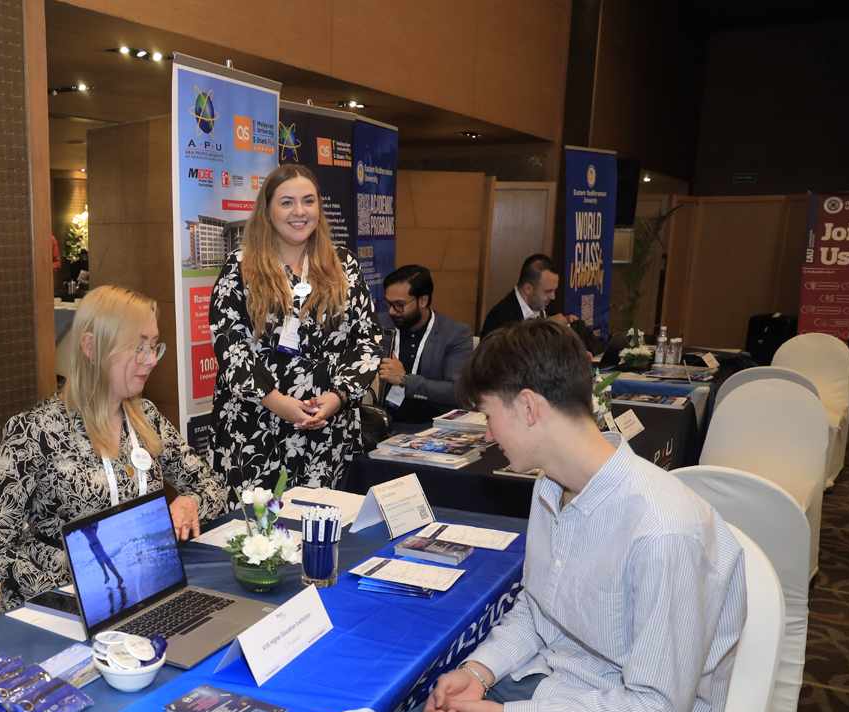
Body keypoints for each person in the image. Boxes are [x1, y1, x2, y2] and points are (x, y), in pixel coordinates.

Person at [357, 320, 745, 712]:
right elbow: (538, 612)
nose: (488, 434)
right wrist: (479, 673)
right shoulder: (550, 486)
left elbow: (655, 708)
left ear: (530, 406)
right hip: (561, 681)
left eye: (489, 416)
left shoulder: (662, 528)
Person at [0, 284, 228, 611]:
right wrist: (76, 590)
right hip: (60, 607)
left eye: (154, 346)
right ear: (91, 347)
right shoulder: (34, 432)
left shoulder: (145, 418)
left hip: (140, 591)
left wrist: (190, 502)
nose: (151, 360)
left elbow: (213, 486)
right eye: (139, 347)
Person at [208, 163, 382, 492]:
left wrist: (339, 396)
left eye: (308, 201)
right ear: (267, 210)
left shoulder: (343, 264)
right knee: (260, 524)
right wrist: (277, 402)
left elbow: (368, 339)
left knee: (328, 519)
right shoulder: (240, 266)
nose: (299, 212)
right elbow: (230, 344)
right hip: (256, 426)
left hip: (329, 426)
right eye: (287, 202)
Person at [376, 263, 475, 427]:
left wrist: (405, 380)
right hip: (383, 423)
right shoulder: (378, 325)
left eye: (399, 305)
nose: (392, 311)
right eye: (388, 303)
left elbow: (458, 392)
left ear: (423, 300)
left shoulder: (455, 333)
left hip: (433, 425)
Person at [481, 253, 601, 354]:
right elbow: (507, 360)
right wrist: (544, 326)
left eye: (554, 290)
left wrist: (569, 328)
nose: (553, 297)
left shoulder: (546, 308)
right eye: (548, 291)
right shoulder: (501, 316)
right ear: (528, 289)